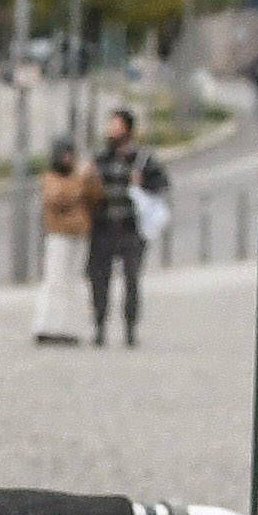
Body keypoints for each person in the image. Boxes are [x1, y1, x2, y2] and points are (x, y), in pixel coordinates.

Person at [87, 108, 166, 346]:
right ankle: (100, 326)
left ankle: (130, 329)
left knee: (131, 281)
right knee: (99, 280)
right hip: (103, 228)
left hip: (130, 229)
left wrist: (143, 184)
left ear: (127, 129)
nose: (111, 130)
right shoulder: (100, 159)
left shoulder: (142, 160)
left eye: (116, 125)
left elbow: (162, 185)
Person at [31, 142, 93, 346]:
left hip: (79, 234)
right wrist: (80, 182)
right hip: (59, 234)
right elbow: (58, 199)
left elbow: (94, 197)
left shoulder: (79, 177)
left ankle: (67, 326)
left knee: (73, 282)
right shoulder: (52, 178)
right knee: (54, 281)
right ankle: (46, 324)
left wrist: (90, 179)